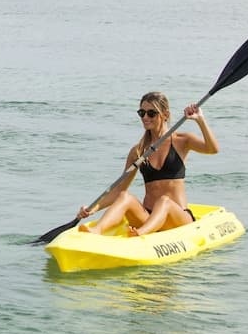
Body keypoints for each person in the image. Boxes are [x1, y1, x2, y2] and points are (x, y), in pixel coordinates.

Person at [77, 91, 219, 237]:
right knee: (125, 196)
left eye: (151, 113)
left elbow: (212, 149)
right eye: (142, 113)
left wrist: (200, 120)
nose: (145, 117)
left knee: (164, 201)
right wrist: (92, 209)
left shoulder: (181, 140)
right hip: (149, 217)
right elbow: (119, 188)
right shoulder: (138, 151)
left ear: (165, 114)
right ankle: (97, 230)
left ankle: (140, 233)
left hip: (177, 218)